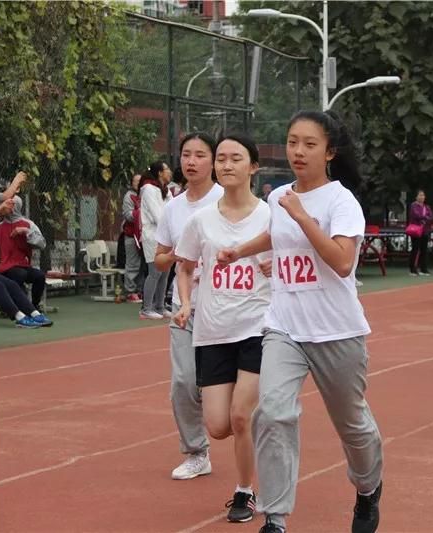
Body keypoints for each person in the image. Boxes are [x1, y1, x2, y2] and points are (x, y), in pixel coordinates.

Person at [217, 110, 384, 533]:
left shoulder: (341, 201)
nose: (298, 151)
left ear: (329, 151)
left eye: (309, 144)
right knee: (271, 413)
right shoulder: (281, 197)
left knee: (353, 423)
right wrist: (240, 250)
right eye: (293, 142)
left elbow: (343, 262)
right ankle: (275, 517)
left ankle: (367, 489)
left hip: (336, 330)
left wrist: (302, 216)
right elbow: (278, 234)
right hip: (284, 326)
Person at [174, 133, 271, 523]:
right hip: (212, 330)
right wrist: (184, 303)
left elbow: (297, 262)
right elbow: (184, 266)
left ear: (254, 167)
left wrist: (274, 267)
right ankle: (263, 426)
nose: (227, 165)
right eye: (222, 159)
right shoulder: (201, 220)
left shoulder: (270, 216)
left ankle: (245, 491)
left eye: (236, 158)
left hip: (257, 325)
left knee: (240, 417)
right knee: (217, 426)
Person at [155, 133, 225, 480]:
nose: (192, 161)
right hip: (184, 308)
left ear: (213, 161)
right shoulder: (173, 207)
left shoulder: (228, 200)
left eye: (200, 155)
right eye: (186, 154)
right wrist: (178, 255)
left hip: (226, 307)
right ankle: (197, 452)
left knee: (225, 390)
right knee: (183, 382)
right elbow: (159, 260)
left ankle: (249, 439)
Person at [0, 197, 52, 328]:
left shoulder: (27, 223)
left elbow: (41, 243)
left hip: (21, 264)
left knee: (15, 282)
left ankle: (33, 311)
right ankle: (19, 316)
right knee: (1, 284)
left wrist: (26, 231)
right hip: (4, 265)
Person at [139, 161, 173, 319]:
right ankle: (146, 308)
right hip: (153, 236)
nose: (169, 172)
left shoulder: (166, 190)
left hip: (167, 236)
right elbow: (157, 216)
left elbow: (173, 211)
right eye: (166, 169)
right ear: (159, 172)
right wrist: (171, 227)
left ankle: (159, 306)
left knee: (165, 272)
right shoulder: (148, 189)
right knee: (155, 272)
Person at [121, 173, 144, 302]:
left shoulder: (145, 195)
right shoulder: (128, 196)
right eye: (136, 181)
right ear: (132, 183)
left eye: (140, 181)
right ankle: (130, 291)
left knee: (142, 265)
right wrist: (141, 212)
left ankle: (139, 290)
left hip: (143, 236)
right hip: (131, 235)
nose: (138, 183)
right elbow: (128, 215)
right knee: (133, 263)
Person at [407, 189, 433, 276]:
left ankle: (423, 268)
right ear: (416, 197)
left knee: (424, 250)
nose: (422, 197)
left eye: (423, 195)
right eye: (420, 195)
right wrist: (424, 217)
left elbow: (431, 216)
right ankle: (412, 269)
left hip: (424, 230)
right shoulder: (413, 206)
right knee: (415, 249)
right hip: (416, 230)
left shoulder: (427, 207)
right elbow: (416, 215)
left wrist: (424, 217)